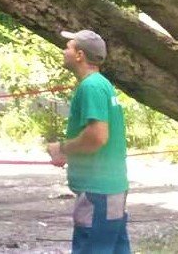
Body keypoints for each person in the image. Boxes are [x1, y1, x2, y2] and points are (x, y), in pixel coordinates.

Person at [46, 29, 130, 253]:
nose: (64, 51)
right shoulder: (101, 84)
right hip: (110, 189)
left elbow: (97, 136)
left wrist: (62, 149)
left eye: (69, 47)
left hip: (98, 193)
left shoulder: (91, 86)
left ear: (80, 55)